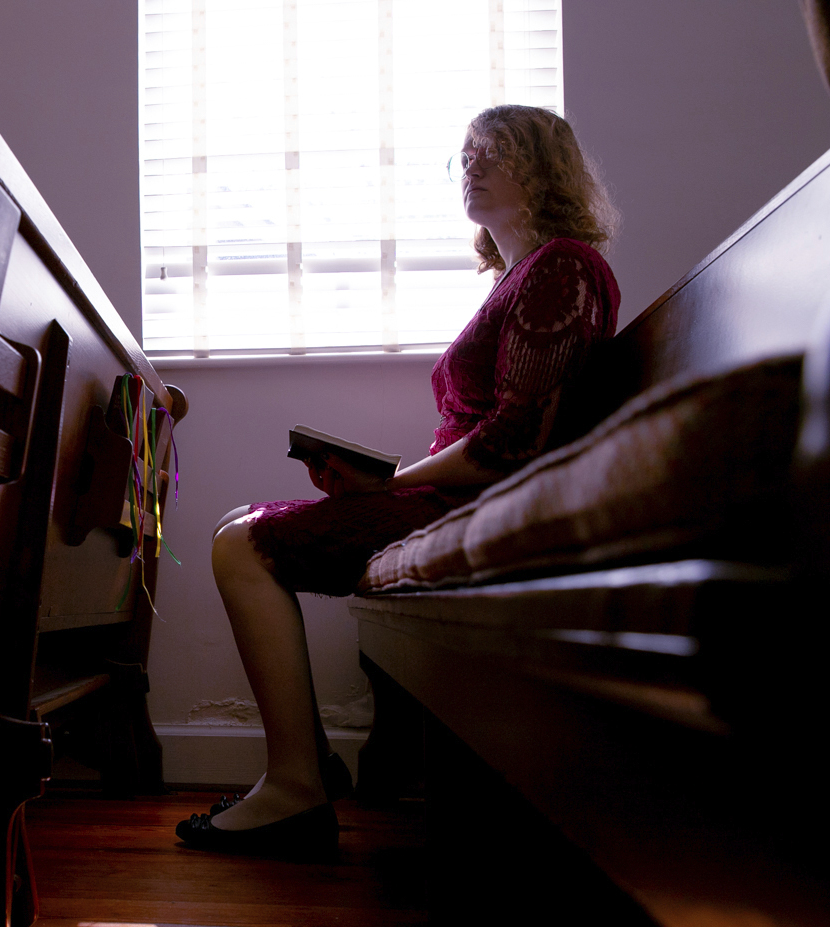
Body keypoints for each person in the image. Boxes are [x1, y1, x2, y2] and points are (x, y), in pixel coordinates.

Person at [176, 105, 621, 858]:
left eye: (494, 149)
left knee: (242, 546)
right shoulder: (525, 276)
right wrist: (380, 479)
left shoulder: (564, 267)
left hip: (483, 506)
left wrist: (390, 485)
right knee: (233, 526)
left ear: (545, 167)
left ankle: (294, 789)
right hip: (454, 498)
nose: (470, 163)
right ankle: (306, 766)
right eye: (465, 152)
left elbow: (514, 443)